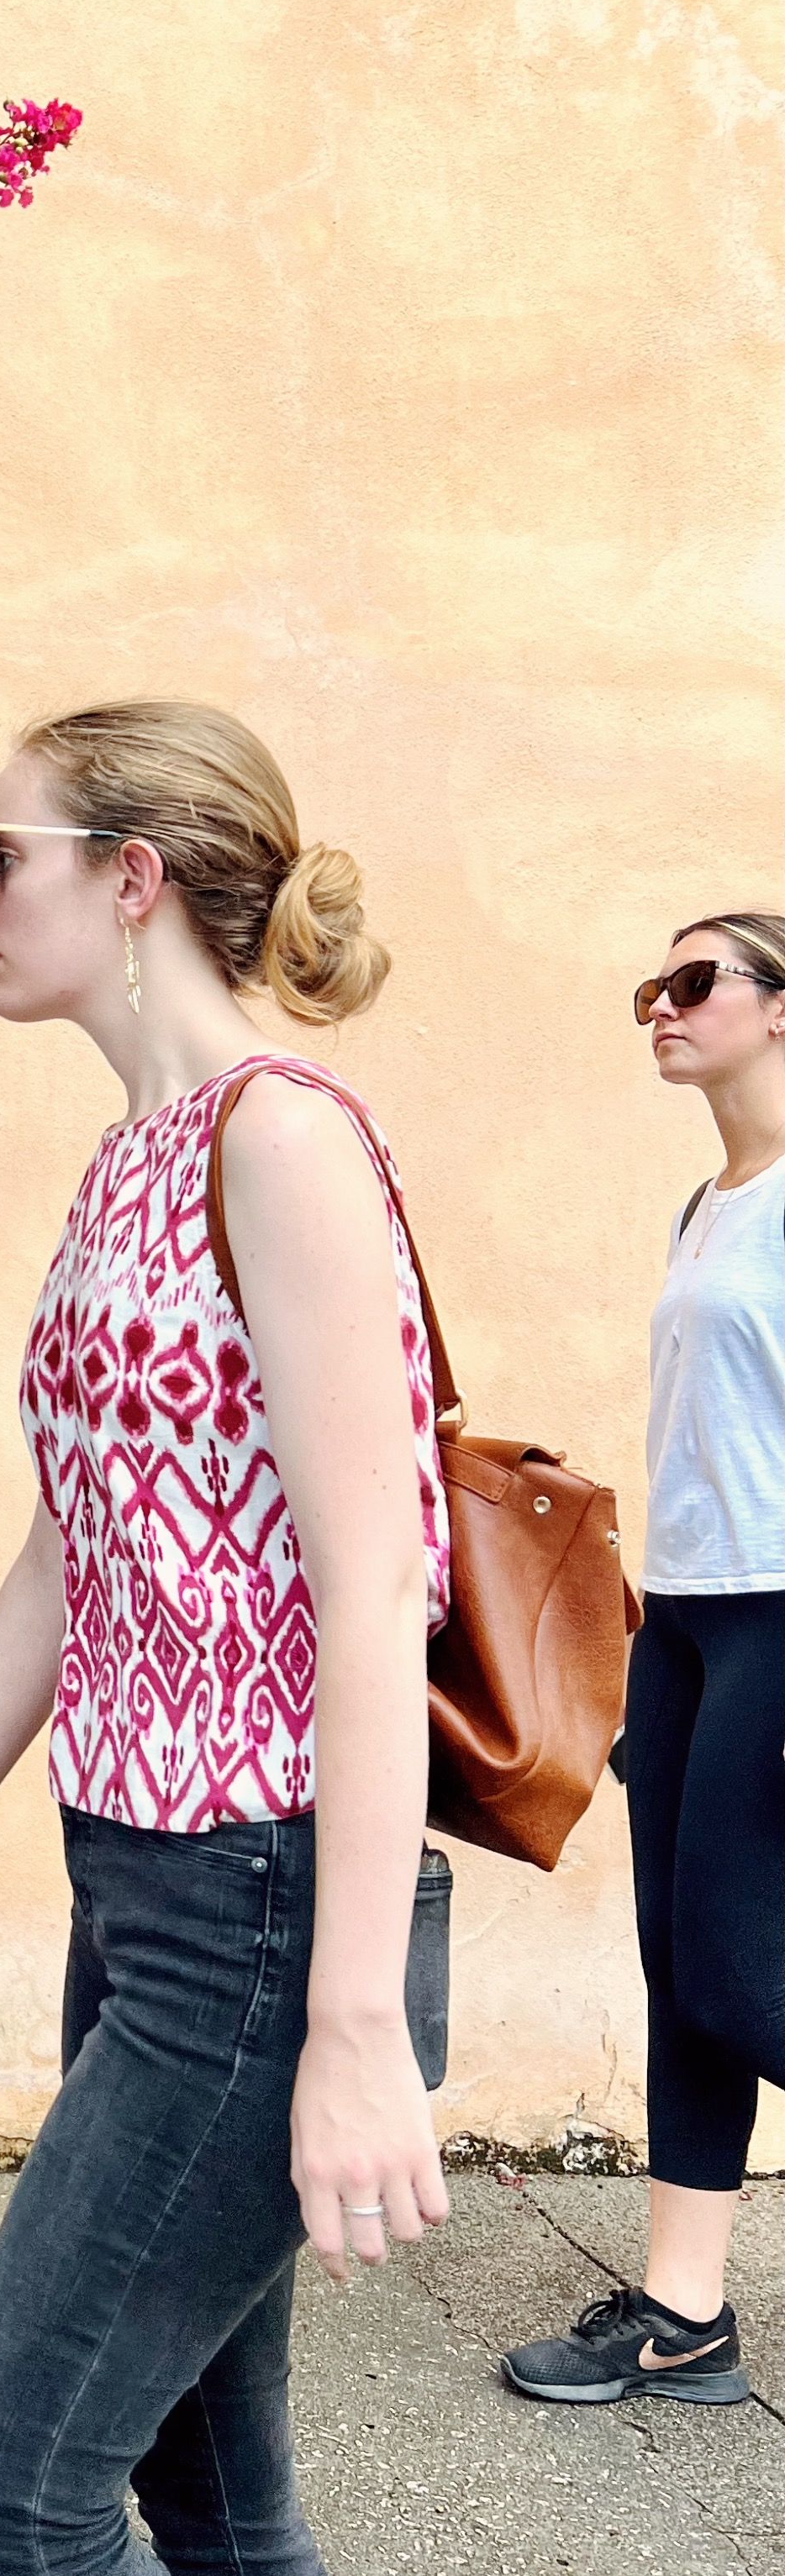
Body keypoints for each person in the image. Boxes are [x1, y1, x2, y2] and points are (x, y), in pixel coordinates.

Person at [0, 702, 450, 2576]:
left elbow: (370, 1586)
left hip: (266, 1915)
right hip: (151, 1890)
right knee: (196, 2485)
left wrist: (353, 2025)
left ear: (129, 878)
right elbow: (64, 1548)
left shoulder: (280, 1138)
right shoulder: (135, 1155)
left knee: (5, 2488)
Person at [502, 913, 784, 2409]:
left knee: (744, 1975)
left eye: (692, 985)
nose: (659, 1011)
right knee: (677, 1965)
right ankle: (684, 2314)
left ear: (780, 1011)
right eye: (648, 990)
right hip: (680, 1622)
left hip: (779, 1619)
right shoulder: (708, 1204)